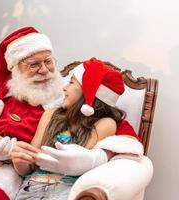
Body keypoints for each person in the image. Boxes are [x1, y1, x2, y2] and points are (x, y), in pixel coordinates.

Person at [0, 27, 142, 200]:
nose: (45, 70)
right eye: (34, 64)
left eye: (48, 61)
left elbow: (123, 136)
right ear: (15, 68)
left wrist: (94, 158)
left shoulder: (67, 97)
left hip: (3, 177)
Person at [13, 58, 125, 199]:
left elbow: (81, 166)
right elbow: (29, 167)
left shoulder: (105, 124)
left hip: (66, 193)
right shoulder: (51, 114)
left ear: (88, 91)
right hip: (30, 191)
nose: (64, 88)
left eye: (71, 82)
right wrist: (20, 161)